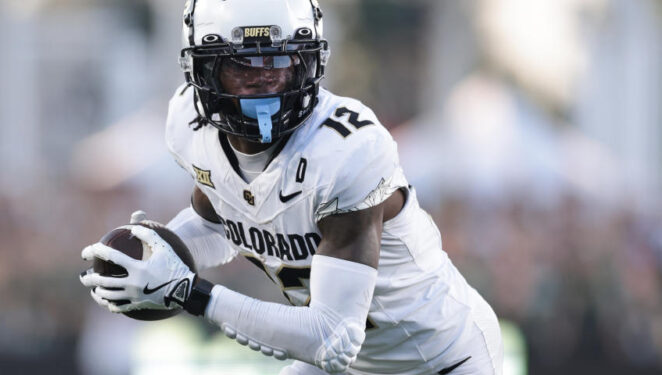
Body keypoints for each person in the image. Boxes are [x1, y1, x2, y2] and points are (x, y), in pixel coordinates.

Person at [79, 0, 503, 374]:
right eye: (241, 64)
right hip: (356, 363)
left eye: (278, 61)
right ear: (204, 68)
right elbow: (218, 224)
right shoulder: (190, 126)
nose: (263, 78)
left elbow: (332, 339)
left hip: (440, 358)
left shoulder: (346, 151)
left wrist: (190, 293)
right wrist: (157, 254)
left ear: (307, 61)